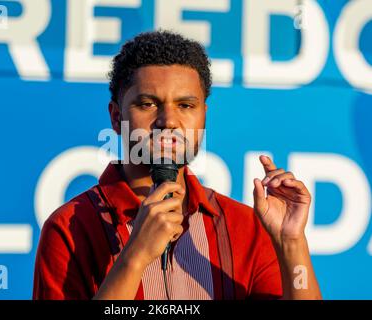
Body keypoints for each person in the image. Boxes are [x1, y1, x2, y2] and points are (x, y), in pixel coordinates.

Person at [33, 30, 322, 300]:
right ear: (115, 117)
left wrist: (290, 242)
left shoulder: (246, 226)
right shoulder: (69, 228)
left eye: (185, 105)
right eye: (147, 104)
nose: (168, 121)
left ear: (203, 117)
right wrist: (135, 257)